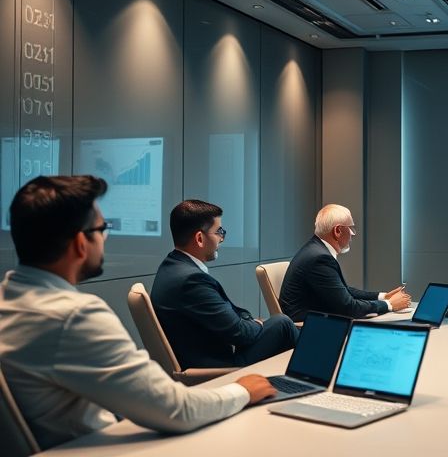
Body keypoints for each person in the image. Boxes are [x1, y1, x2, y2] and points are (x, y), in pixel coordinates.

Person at [0, 176, 275, 450]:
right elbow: (178, 410)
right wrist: (243, 390)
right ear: (80, 244)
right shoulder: (74, 316)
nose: (105, 238)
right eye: (103, 228)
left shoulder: (9, 301)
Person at [152, 200, 298, 368]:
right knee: (283, 324)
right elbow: (240, 334)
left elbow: (232, 316)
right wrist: (255, 324)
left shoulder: (171, 265)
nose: (221, 238)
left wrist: (249, 322)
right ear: (199, 238)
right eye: (219, 232)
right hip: (217, 367)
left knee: (283, 326)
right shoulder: (191, 281)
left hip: (206, 353)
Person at [279, 204, 410, 322]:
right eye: (350, 228)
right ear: (338, 231)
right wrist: (389, 305)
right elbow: (348, 308)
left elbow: (343, 291)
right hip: (307, 326)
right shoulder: (319, 259)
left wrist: (382, 296)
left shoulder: (315, 249)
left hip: (313, 317)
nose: (353, 234)